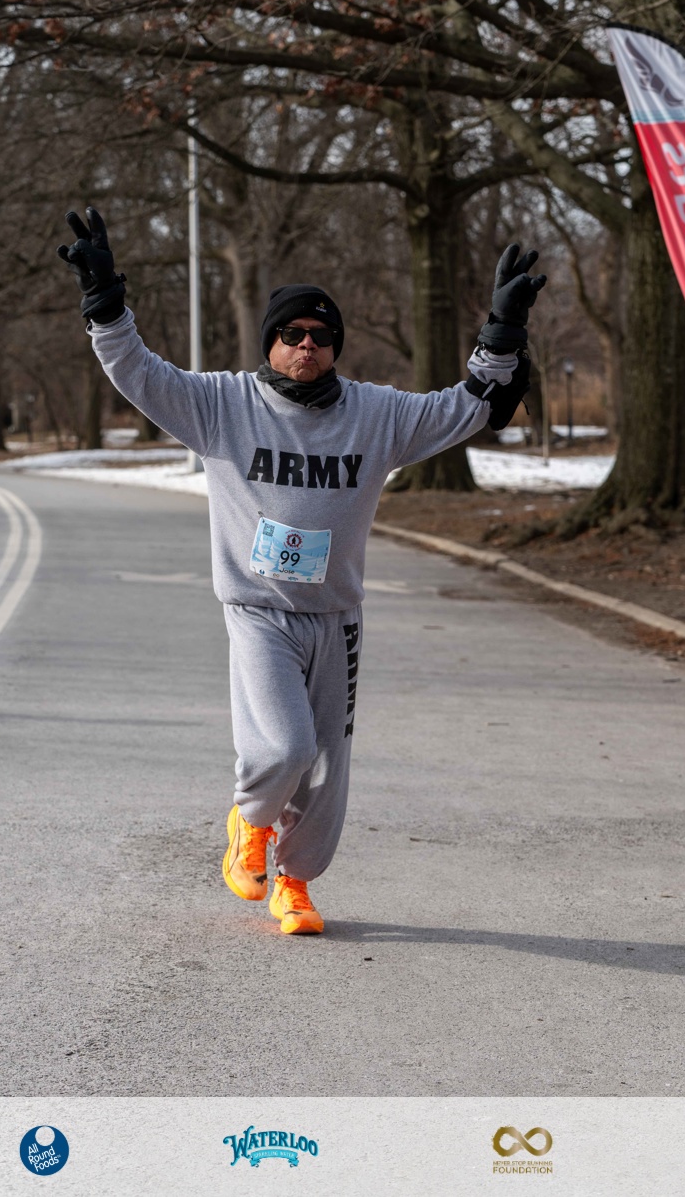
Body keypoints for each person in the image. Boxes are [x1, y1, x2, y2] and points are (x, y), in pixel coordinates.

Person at [58, 209, 545, 936]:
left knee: (326, 766)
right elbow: (139, 373)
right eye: (291, 334)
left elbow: (466, 408)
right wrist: (104, 303)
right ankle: (250, 824)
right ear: (271, 343)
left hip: (335, 615)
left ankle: (295, 882)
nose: (306, 344)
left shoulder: (375, 415)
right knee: (284, 746)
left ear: (335, 346)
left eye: (320, 335)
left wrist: (502, 332)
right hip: (258, 609)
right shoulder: (221, 405)